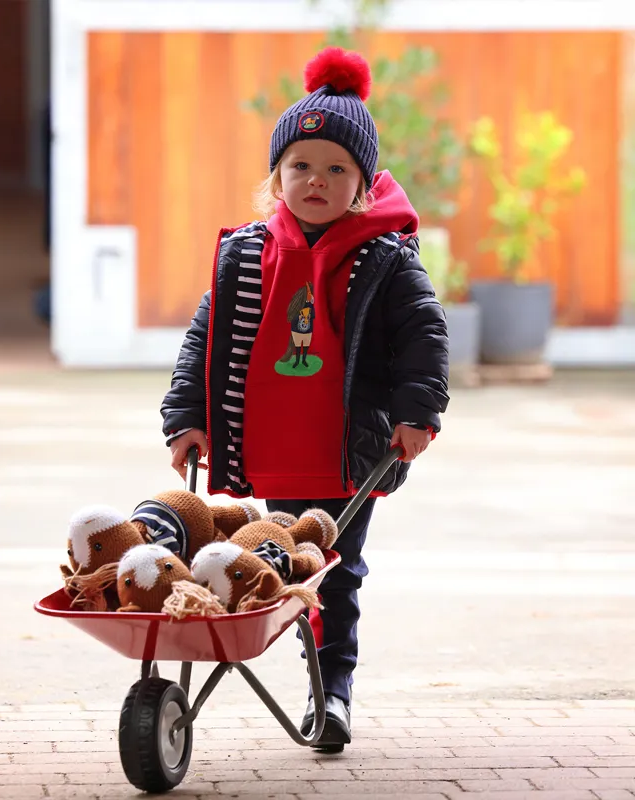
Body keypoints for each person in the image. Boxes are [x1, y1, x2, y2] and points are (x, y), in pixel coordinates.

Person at [160, 46, 449, 751]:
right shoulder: (249, 253)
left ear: (362, 184)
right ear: (276, 176)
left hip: (343, 458)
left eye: (335, 169)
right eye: (300, 166)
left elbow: (423, 337)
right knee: (267, 571)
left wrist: (418, 414)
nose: (315, 180)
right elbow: (207, 337)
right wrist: (188, 419)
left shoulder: (384, 259)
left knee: (334, 577)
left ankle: (334, 692)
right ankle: (273, 677)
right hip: (267, 450)